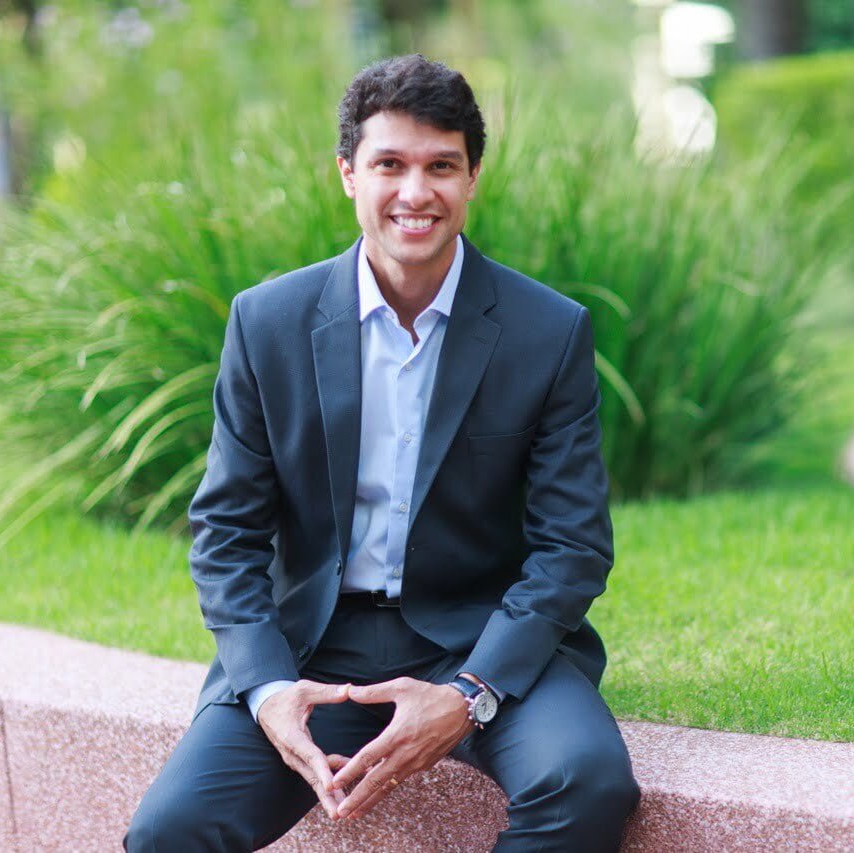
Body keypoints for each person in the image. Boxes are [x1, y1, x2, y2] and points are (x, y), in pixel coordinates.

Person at [124, 53, 640, 852]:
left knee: (587, 781)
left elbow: (572, 550)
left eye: (441, 165)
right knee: (168, 832)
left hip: (477, 638)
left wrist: (469, 690)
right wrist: (265, 688)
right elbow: (226, 533)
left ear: (472, 177)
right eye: (388, 164)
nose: (414, 192)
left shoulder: (548, 331)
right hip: (310, 647)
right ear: (347, 175)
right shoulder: (267, 323)